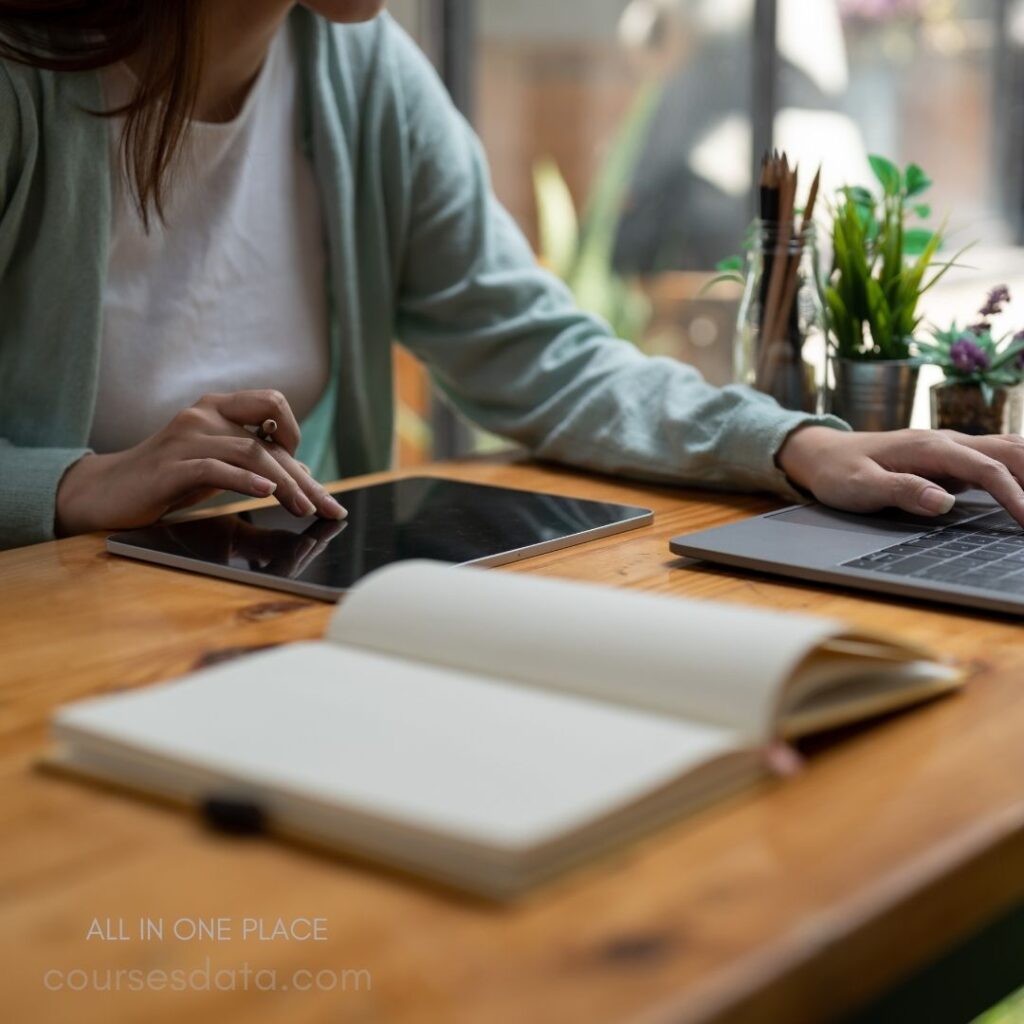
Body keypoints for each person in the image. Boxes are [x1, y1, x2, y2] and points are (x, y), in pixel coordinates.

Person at [1, 0, 1023, 553]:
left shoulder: (363, 79)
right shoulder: (23, 81)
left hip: (256, 621)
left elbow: (544, 358)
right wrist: (78, 484)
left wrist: (794, 443)